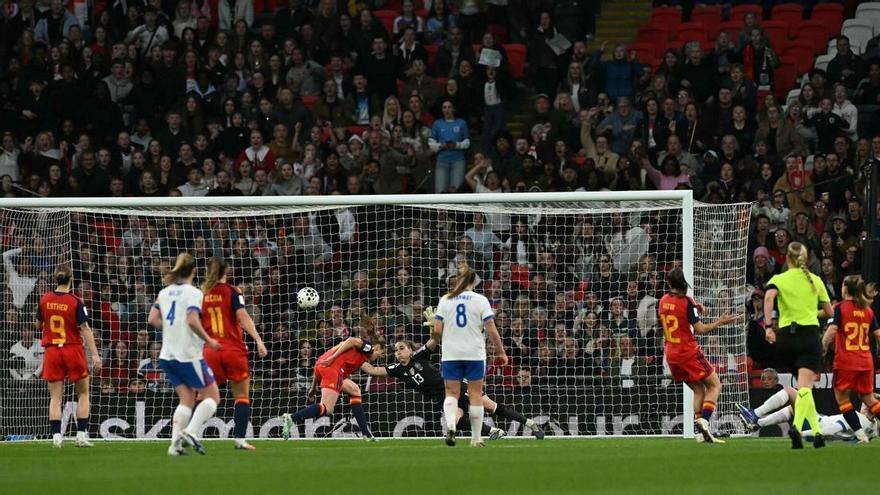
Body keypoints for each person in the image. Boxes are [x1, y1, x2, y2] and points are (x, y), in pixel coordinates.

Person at [359, 319, 544, 440]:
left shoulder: (419, 356)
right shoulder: (396, 369)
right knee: (458, 420)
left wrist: (436, 326)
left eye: (401, 348)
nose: (398, 352)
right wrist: (355, 356)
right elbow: (372, 370)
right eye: (396, 350)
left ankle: (530, 424)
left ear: (409, 349)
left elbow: (434, 340)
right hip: (443, 398)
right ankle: (491, 432)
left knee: (492, 407)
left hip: (455, 386)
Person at [148, 253, 222, 456]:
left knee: (187, 399)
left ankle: (174, 446)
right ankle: (190, 431)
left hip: (167, 355)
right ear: (194, 271)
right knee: (213, 396)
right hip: (187, 355)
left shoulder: (164, 293)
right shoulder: (194, 293)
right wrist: (209, 340)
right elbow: (191, 320)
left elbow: (153, 318)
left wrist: (172, 329)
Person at [763, 242, 834, 449]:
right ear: (806, 259)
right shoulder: (816, 280)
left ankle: (818, 434)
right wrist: (813, 313)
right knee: (805, 387)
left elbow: (768, 297)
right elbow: (829, 312)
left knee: (805, 389)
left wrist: (768, 327)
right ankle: (796, 427)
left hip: (785, 338)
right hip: (808, 335)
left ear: (787, 259)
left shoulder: (779, 278)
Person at [658, 268, 737, 444]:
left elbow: (678, 312)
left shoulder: (663, 301)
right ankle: (705, 421)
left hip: (671, 354)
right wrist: (720, 321)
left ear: (670, 284)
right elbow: (700, 329)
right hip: (688, 352)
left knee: (698, 389)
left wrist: (694, 307)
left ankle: (701, 432)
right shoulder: (686, 302)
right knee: (715, 385)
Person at [434, 265, 507, 447]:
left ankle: (451, 424)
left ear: (457, 280)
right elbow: (491, 327)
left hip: (451, 353)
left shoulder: (446, 300)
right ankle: (475, 439)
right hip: (474, 352)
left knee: (451, 393)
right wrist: (500, 351)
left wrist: (439, 338)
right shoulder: (480, 300)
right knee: (475, 394)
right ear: (473, 282)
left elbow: (436, 331)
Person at [200, 258, 268, 451]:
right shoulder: (233, 291)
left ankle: (190, 433)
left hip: (210, 350)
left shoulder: (201, 294)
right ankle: (239, 440)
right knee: (241, 396)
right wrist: (258, 340)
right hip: (233, 350)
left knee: (204, 396)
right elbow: (242, 316)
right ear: (226, 272)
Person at [281, 318, 386, 441]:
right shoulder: (368, 347)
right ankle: (292, 418)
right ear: (377, 348)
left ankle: (366, 434)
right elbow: (351, 340)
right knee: (327, 408)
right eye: (381, 353)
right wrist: (333, 358)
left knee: (355, 390)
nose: (381, 356)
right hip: (332, 368)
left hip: (322, 366)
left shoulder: (359, 356)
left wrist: (313, 387)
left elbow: (320, 361)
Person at [38, 264, 101, 448]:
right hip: (72, 349)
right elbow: (85, 328)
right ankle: (81, 436)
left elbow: (38, 324)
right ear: (71, 279)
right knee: (83, 393)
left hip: (52, 351)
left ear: (56, 279)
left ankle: (57, 437)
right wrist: (96, 355)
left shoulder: (45, 299)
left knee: (56, 397)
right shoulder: (75, 301)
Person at [820, 275, 880, 443]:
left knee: (842, 398)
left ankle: (861, 435)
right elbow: (878, 334)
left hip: (847, 361)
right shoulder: (867, 310)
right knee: (868, 399)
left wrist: (823, 346)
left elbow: (832, 330)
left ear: (845, 288)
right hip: (866, 361)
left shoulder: (839, 307)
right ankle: (861, 436)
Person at [738, 386, 878, 442]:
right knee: (794, 408)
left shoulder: (858, 418)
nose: (863, 404)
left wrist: (802, 434)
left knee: (791, 392)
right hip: (820, 421)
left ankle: (755, 414)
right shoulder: (873, 427)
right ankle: (758, 423)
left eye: (865, 403)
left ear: (870, 409)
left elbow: (830, 430)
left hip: (816, 426)